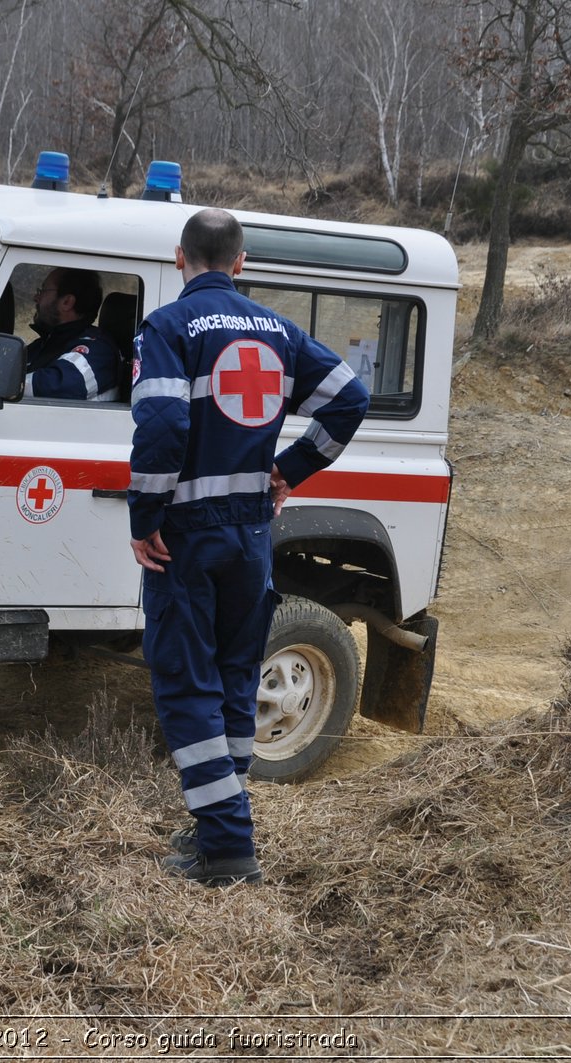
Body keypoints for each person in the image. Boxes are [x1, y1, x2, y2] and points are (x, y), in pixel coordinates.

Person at [128, 208, 370, 887]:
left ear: (181, 259)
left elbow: (166, 421)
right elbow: (351, 399)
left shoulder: (169, 327)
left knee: (186, 683)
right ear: (241, 263)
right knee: (236, 677)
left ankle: (229, 847)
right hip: (251, 536)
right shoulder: (280, 329)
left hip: (187, 535)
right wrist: (289, 469)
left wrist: (144, 515)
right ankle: (218, 827)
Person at [23, 268, 122, 401]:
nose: (36, 298)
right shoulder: (44, 344)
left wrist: (9, 383)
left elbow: (60, 385)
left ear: (67, 302)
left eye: (43, 291)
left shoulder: (98, 348)